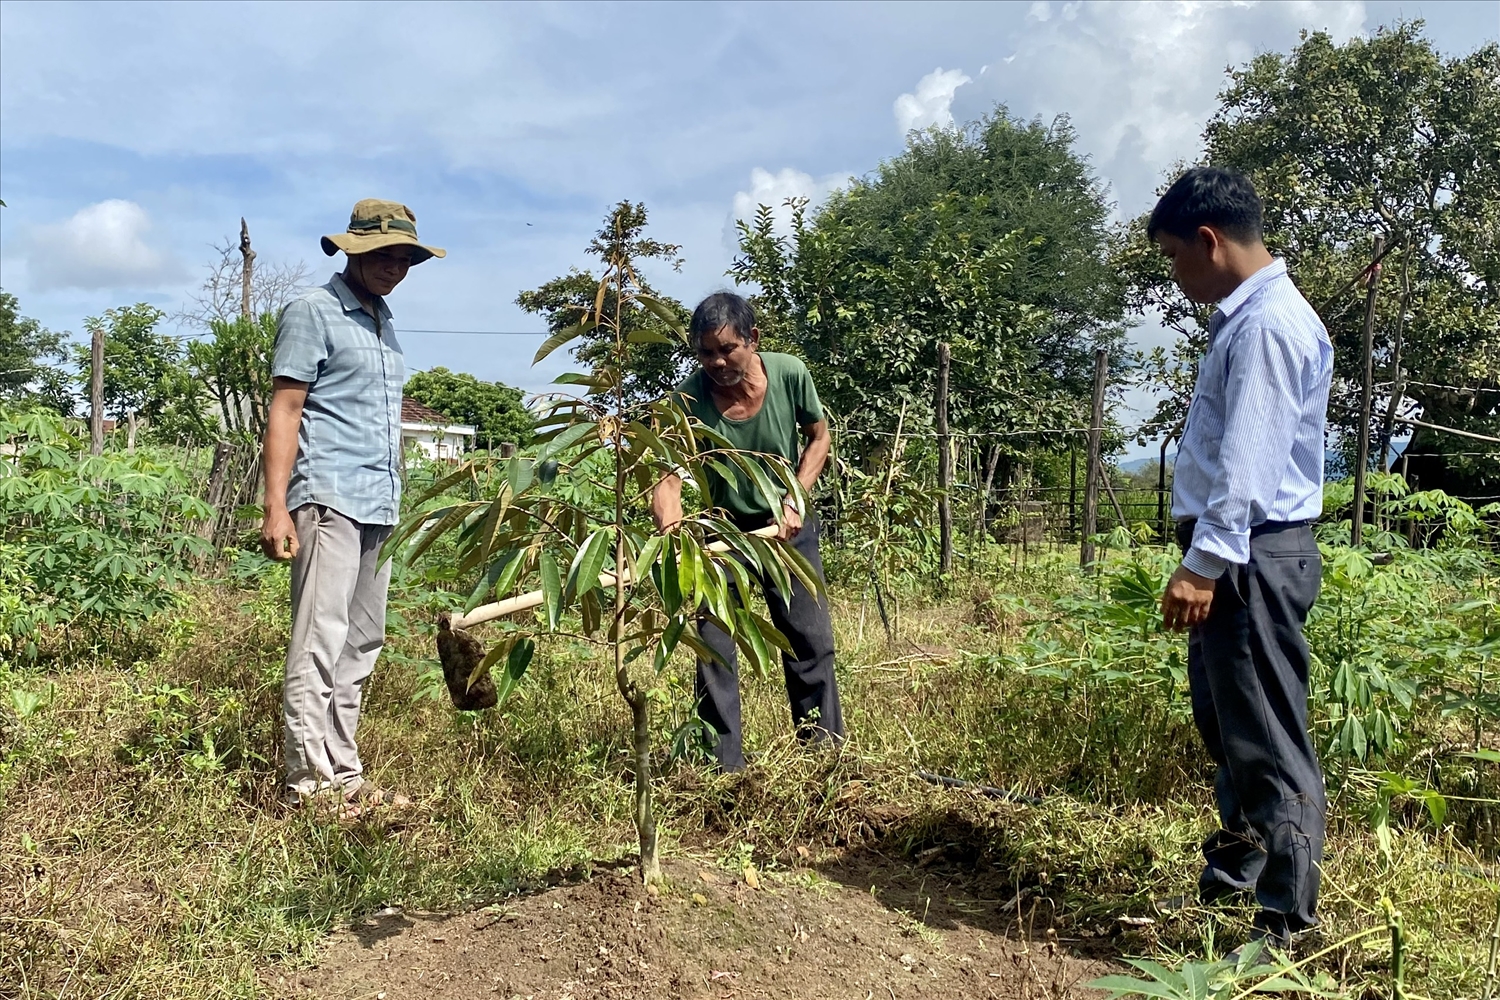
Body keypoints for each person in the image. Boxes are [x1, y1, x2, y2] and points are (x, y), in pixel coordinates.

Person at [1150, 167, 1332, 953]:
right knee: (1233, 731)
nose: (1174, 274)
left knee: (1267, 741)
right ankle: (1235, 886)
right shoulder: (1252, 320)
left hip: (1249, 557)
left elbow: (1248, 467)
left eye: (1171, 257)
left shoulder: (1263, 327)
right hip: (1240, 557)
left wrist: (1203, 563)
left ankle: (1283, 924)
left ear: (1208, 241)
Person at [260, 199, 445, 816]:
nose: (395, 266)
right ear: (352, 250)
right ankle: (308, 786)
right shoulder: (314, 311)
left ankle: (344, 773)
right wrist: (276, 507)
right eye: (384, 254)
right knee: (319, 638)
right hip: (329, 497)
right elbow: (286, 410)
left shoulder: (383, 322)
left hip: (379, 502)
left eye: (406, 258)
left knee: (362, 641)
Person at [651, 291, 844, 771]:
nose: (716, 362)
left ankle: (822, 757)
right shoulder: (686, 401)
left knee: (809, 639)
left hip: (787, 527)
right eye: (705, 352)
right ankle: (724, 768)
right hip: (721, 537)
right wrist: (674, 539)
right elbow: (666, 477)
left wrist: (795, 496)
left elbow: (819, 437)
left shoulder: (789, 374)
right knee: (713, 646)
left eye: (727, 349)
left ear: (753, 340)